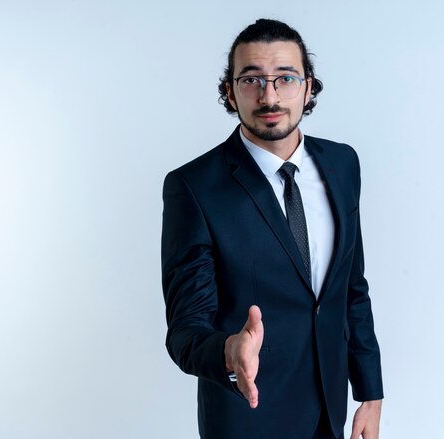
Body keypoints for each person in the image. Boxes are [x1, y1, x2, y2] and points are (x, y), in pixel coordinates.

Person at [161, 18, 383, 439]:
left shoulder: (343, 164)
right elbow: (186, 329)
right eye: (251, 80)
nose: (270, 95)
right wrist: (229, 351)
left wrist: (370, 393)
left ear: (308, 86)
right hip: (249, 417)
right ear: (230, 91)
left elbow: (351, 288)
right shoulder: (193, 187)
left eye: (285, 77)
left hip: (330, 413)